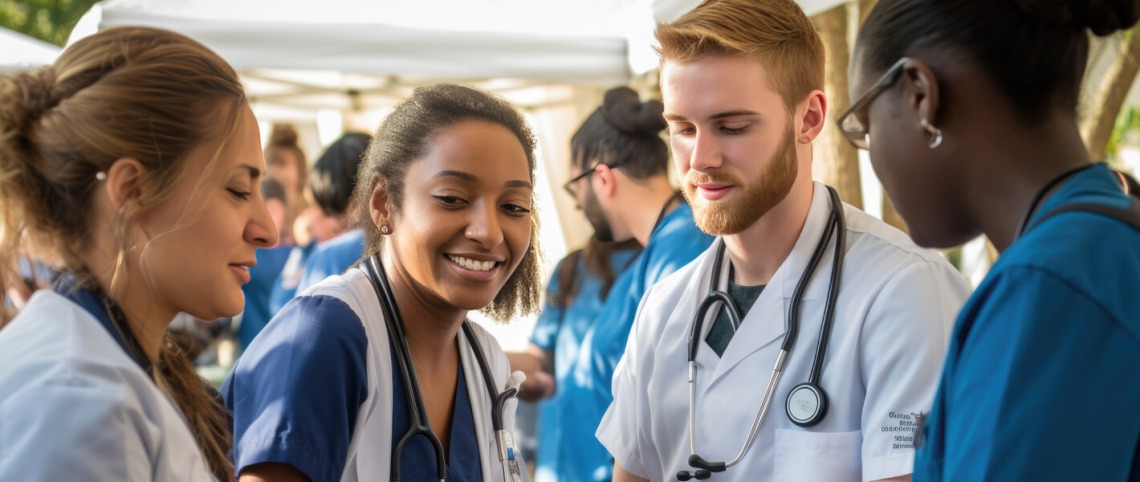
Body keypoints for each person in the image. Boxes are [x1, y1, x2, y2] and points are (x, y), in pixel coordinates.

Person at [596, 1, 974, 481]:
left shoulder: (906, 292)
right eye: (683, 129)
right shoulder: (662, 309)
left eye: (732, 127)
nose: (701, 158)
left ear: (810, 118)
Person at [847, 1, 1140, 480]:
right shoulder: (1107, 235)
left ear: (920, 96)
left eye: (865, 127)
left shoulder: (1048, 289)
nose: (872, 154)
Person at [223, 84, 544, 482]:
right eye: (452, 198)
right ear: (382, 203)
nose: (489, 232)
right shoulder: (324, 338)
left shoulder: (487, 361)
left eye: (513, 207)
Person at [0, 26, 277, 481]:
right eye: (238, 189)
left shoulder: (107, 372)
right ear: (131, 190)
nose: (268, 229)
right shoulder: (79, 402)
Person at [549, 86, 715, 482]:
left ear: (602, 178)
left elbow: (682, 403)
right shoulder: (659, 251)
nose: (575, 203)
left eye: (576, 187)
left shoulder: (684, 251)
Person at [508, 236, 642, 482]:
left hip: (616, 466)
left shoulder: (654, 263)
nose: (578, 201)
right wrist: (479, 354)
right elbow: (540, 361)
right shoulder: (571, 268)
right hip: (555, 467)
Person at [293, 132, 371, 292]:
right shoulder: (402, 244)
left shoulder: (328, 257)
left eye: (326, 209)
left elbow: (279, 302)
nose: (310, 218)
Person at [236, 177, 293, 350]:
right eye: (267, 208)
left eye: (274, 209)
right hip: (253, 348)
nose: (269, 217)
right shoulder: (246, 256)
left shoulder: (297, 254)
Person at [264, 124, 309, 246]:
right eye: (269, 163)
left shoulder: (310, 215)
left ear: (300, 170)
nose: (273, 171)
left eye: (282, 164)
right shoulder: (262, 211)